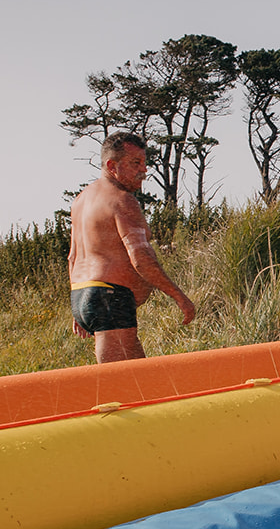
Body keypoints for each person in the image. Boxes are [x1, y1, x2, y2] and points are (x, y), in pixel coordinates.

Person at [67, 131, 196, 362]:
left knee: (131, 379)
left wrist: (79, 308)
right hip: (109, 297)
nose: (143, 170)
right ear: (111, 165)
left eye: (144, 163)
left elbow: (73, 257)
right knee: (127, 383)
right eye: (135, 163)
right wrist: (179, 297)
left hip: (82, 294)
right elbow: (140, 257)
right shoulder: (122, 200)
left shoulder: (81, 200)